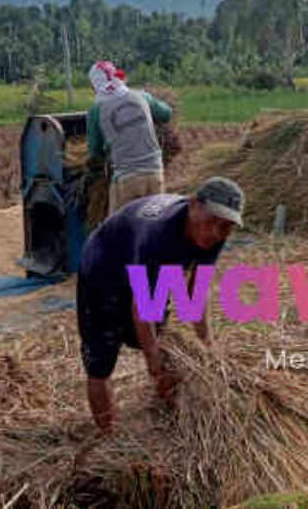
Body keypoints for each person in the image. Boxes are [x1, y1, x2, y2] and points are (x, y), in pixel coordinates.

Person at [77, 177, 244, 431]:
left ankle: (171, 423)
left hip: (148, 264)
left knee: (165, 351)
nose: (215, 233)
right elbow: (143, 308)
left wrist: (207, 345)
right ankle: (108, 437)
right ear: (193, 204)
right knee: (102, 359)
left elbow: (195, 293)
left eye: (226, 227)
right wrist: (152, 359)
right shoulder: (159, 235)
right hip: (105, 266)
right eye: (212, 221)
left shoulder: (215, 237)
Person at [86, 61, 174, 214]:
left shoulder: (96, 110)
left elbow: (94, 149)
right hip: (155, 174)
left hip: (126, 180)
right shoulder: (141, 96)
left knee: (118, 227)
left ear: (95, 85)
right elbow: (166, 114)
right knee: (153, 223)